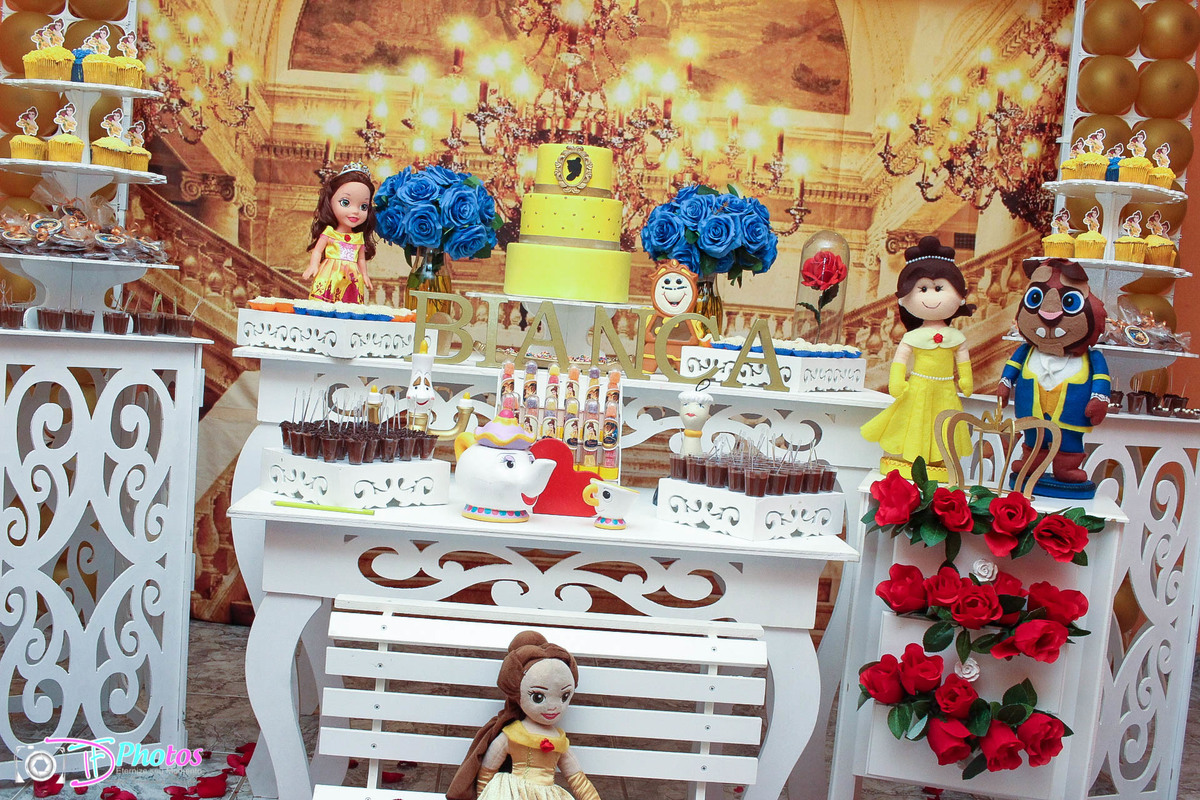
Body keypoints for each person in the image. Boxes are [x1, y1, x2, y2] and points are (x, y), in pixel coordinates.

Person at [860, 235, 975, 475]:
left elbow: (962, 358)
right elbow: (900, 360)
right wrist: (896, 381)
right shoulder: (913, 336)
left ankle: (940, 459)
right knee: (914, 420)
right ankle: (913, 457)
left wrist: (966, 379)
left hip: (946, 390)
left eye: (939, 288)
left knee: (943, 421)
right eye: (922, 289)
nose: (931, 296)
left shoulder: (955, 337)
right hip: (918, 387)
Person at [448, 631, 601, 800]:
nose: (553, 707)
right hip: (512, 792)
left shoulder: (559, 741)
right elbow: (487, 769)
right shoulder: (513, 733)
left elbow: (578, 780)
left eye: (564, 697)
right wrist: (485, 794)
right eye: (538, 697)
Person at [302, 163, 377, 303]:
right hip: (330, 274)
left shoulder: (358, 238)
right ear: (330, 202)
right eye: (345, 203)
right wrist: (313, 265)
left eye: (363, 206)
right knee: (325, 302)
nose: (355, 211)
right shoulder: (330, 233)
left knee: (349, 305)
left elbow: (361, 259)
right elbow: (317, 251)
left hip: (352, 278)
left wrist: (365, 275)